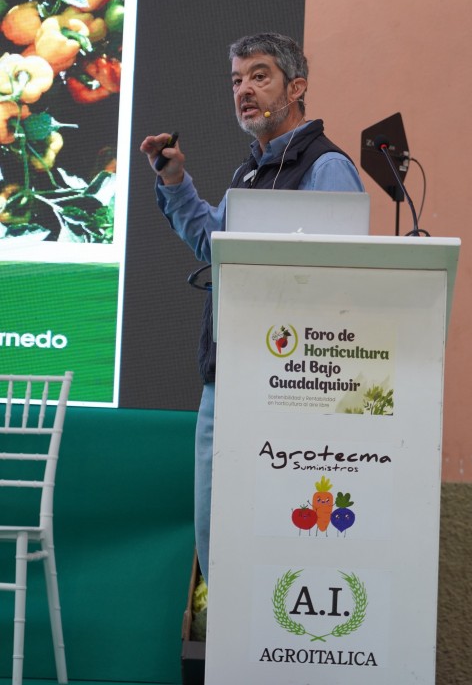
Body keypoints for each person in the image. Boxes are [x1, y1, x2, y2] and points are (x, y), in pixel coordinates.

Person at [140, 32, 365, 582]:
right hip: (228, 372)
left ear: (297, 87)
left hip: (290, 381)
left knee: (281, 529)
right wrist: (174, 179)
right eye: (237, 80)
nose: (244, 90)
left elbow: (338, 285)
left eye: (260, 76)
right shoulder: (252, 171)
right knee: (217, 533)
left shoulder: (324, 167)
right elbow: (214, 242)